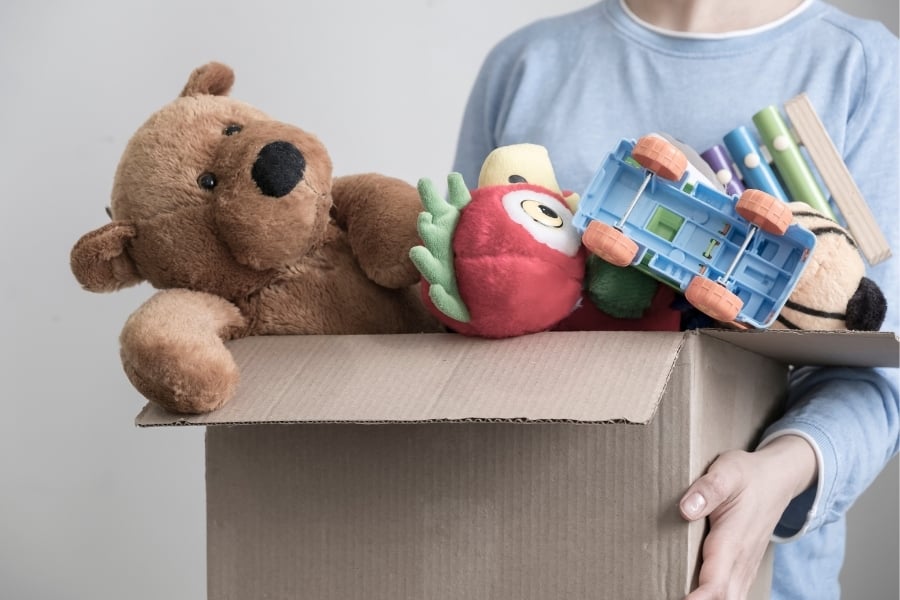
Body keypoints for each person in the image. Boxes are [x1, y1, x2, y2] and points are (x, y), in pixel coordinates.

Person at [451, 1, 899, 598]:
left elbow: (874, 373)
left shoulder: (861, 65)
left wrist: (776, 474)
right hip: (530, 545)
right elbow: (463, 306)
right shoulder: (524, 64)